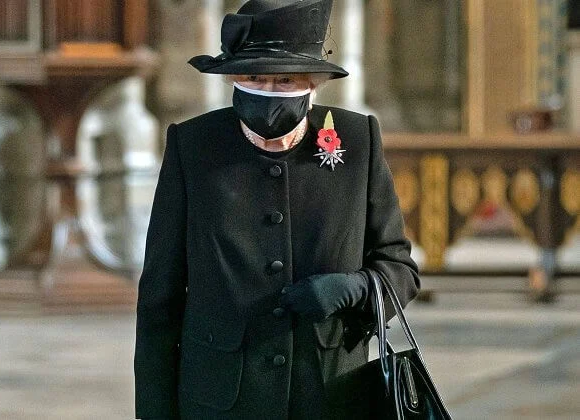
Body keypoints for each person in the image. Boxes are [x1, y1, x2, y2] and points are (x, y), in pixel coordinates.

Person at [134, 0, 420, 419]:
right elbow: (160, 295)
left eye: (284, 79)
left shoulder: (357, 141)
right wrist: (154, 412)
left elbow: (400, 269)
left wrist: (353, 288)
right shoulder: (192, 146)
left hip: (330, 394)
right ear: (234, 80)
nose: (267, 93)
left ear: (313, 84)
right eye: (254, 78)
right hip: (218, 400)